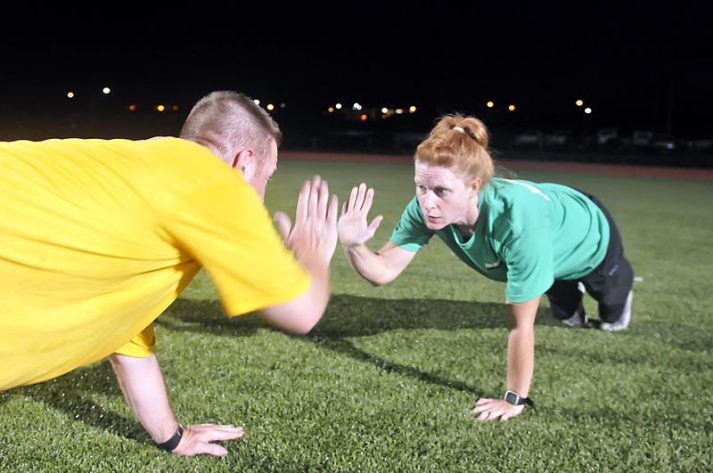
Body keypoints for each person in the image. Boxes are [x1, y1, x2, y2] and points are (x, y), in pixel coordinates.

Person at [0, 91, 339, 456]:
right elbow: (301, 312)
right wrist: (312, 252)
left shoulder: (140, 175)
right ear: (244, 163)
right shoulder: (215, 181)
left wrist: (174, 437)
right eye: (266, 178)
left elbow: (126, 339)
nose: (260, 196)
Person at [337, 113, 634, 422]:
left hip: (589, 234)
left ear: (473, 187)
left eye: (440, 191)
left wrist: (514, 399)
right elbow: (383, 272)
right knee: (568, 315)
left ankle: (618, 290)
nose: (428, 203)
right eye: (421, 187)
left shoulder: (517, 224)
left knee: (611, 307)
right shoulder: (424, 210)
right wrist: (353, 246)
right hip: (550, 248)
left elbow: (520, 325)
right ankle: (566, 294)